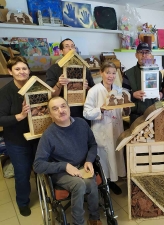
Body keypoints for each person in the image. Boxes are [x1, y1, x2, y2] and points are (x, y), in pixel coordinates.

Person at [33, 96, 102, 225]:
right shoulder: (48, 135)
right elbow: (37, 165)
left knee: (91, 183)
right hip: (62, 173)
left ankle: (94, 218)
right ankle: (78, 223)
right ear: (50, 114)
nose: (61, 110)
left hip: (82, 167)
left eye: (63, 106)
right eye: (55, 108)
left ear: (69, 108)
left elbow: (92, 144)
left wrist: (89, 160)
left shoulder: (81, 124)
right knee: (79, 184)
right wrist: (64, 166)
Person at [0, 56, 39, 217]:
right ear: (10, 72)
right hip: (17, 139)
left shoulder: (35, 86)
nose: (22, 72)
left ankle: (46, 194)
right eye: (17, 69)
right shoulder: (5, 92)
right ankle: (23, 201)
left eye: (24, 68)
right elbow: (1, 118)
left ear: (29, 70)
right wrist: (20, 116)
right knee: (22, 172)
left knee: (41, 167)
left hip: (37, 135)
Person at [83, 62, 126, 195]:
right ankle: (105, 182)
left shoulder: (118, 90)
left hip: (116, 128)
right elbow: (86, 113)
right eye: (108, 72)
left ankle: (113, 180)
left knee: (116, 155)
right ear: (101, 73)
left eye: (113, 73)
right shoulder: (94, 91)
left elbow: (121, 111)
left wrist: (126, 109)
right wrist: (100, 109)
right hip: (102, 129)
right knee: (104, 157)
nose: (111, 76)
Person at [46, 38, 95, 119]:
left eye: (72, 46)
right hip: (63, 114)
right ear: (61, 51)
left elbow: (93, 92)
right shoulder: (53, 69)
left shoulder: (84, 68)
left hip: (83, 110)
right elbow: (50, 96)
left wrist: (86, 87)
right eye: (67, 46)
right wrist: (59, 84)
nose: (70, 48)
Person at [122, 42, 163, 124]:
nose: (144, 55)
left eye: (147, 52)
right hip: (136, 117)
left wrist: (161, 95)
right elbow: (123, 95)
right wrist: (133, 95)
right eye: (141, 52)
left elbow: (162, 92)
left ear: (150, 55)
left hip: (155, 115)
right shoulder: (128, 73)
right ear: (136, 55)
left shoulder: (157, 73)